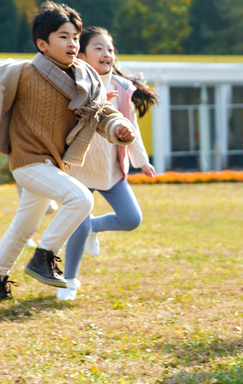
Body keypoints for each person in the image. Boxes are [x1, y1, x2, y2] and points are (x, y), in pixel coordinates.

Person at [0, 1, 136, 302]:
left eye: (75, 37)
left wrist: (118, 129)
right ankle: (43, 257)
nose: (73, 43)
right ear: (42, 44)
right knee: (81, 198)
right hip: (28, 161)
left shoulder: (84, 78)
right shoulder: (22, 73)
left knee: (26, 224)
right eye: (63, 36)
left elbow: (102, 113)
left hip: (53, 166)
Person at [57, 26, 157, 300]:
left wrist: (142, 162)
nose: (106, 54)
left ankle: (93, 227)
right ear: (83, 55)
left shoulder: (124, 89)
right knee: (78, 223)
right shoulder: (71, 84)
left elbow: (131, 127)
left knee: (131, 219)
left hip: (110, 170)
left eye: (110, 49)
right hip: (79, 170)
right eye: (98, 48)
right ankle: (69, 281)